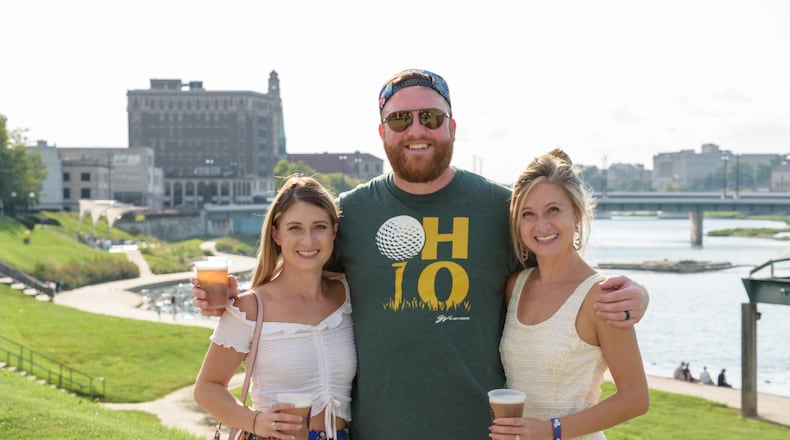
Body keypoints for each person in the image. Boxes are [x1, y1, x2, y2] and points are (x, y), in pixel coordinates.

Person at [193, 68, 650, 439]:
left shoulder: (502, 209)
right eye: (400, 120)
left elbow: (558, 273)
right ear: (382, 131)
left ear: (452, 126)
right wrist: (229, 296)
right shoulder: (348, 214)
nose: (416, 130)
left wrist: (636, 294)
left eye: (430, 118)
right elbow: (298, 278)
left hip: (484, 432)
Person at [491, 149, 649, 440]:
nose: (542, 225)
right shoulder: (515, 286)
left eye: (553, 210)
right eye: (528, 214)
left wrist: (551, 430)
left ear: (576, 213)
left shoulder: (602, 296)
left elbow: (635, 398)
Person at [193, 175, 356, 440]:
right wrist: (255, 422)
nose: (309, 241)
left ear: (334, 230)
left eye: (319, 227)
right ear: (276, 234)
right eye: (295, 228)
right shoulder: (251, 308)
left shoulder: (348, 294)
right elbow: (207, 389)